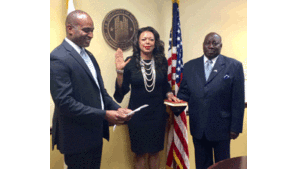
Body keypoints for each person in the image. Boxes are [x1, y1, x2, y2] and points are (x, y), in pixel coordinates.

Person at [50, 10, 132, 169]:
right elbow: (65, 103)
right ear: (70, 29)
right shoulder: (58, 57)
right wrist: (105, 115)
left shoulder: (89, 56)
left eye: (92, 30)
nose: (91, 35)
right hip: (76, 139)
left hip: (94, 134)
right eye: (86, 30)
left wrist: (117, 108)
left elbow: (102, 93)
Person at [113, 26, 179, 169]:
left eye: (151, 39)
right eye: (144, 39)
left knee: (155, 152)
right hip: (137, 116)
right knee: (140, 153)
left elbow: (164, 85)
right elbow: (121, 92)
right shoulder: (129, 62)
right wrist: (119, 72)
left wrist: (169, 93)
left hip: (158, 115)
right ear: (138, 42)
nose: (147, 42)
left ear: (155, 43)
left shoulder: (162, 61)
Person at [177, 32, 245, 169]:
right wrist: (174, 103)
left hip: (223, 129)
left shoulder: (234, 66)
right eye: (208, 43)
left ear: (221, 46)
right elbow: (184, 93)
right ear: (203, 45)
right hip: (198, 128)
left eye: (215, 43)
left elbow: (238, 99)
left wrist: (235, 127)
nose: (211, 46)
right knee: (202, 165)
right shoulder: (190, 66)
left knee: (223, 165)